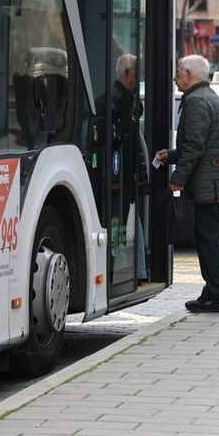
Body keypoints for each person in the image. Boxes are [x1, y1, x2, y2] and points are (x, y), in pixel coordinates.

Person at [156, 54, 219, 313]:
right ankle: (213, 290)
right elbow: (205, 145)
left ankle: (217, 294)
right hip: (217, 184)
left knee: (207, 240)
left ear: (190, 74)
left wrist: (177, 180)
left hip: (206, 186)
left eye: (178, 72)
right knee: (213, 239)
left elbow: (195, 147)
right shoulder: (215, 99)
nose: (175, 78)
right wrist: (172, 155)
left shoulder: (196, 102)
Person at [98, 54, 150, 280]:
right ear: (127, 74)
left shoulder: (128, 100)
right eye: (136, 74)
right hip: (117, 180)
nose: (139, 80)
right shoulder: (112, 101)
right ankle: (110, 274)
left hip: (126, 179)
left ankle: (137, 271)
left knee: (123, 227)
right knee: (114, 230)